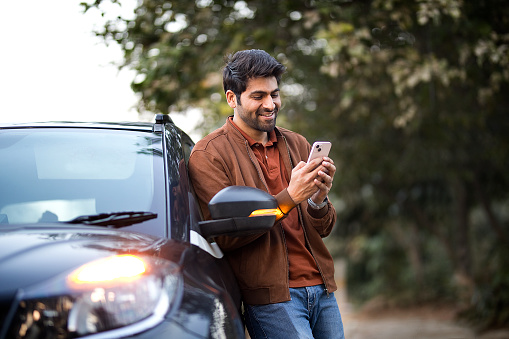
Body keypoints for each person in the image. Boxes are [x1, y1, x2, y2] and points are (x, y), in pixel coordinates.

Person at [188, 49, 345, 339]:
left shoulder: (297, 143)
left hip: (322, 290)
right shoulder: (209, 154)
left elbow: (323, 228)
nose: (270, 104)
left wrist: (317, 199)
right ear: (232, 98)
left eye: (274, 94)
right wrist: (289, 197)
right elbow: (225, 236)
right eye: (258, 96)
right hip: (272, 299)